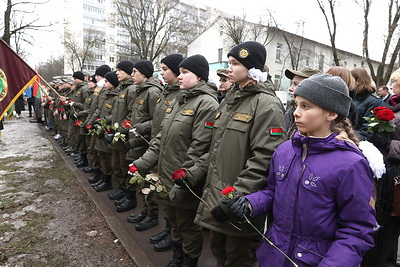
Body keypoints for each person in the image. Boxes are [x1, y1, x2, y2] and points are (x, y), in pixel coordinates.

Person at [225, 74, 377, 266]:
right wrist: (250, 203)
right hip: (274, 255)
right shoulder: (285, 150)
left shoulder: (351, 164)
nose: (296, 112)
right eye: (296, 104)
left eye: (306, 106)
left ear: (331, 114)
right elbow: (273, 192)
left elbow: (357, 229)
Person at [194, 41, 286, 267]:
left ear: (252, 68)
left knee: (238, 258)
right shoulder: (231, 101)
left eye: (235, 63)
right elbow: (216, 149)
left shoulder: (266, 105)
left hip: (240, 202)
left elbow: (264, 159)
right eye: (229, 62)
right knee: (219, 251)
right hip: (218, 195)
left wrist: (234, 198)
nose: (229, 68)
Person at [131, 54, 219, 266]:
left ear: (199, 76)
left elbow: (199, 148)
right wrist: (142, 164)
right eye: (179, 72)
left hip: (185, 179)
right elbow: (161, 138)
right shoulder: (182, 99)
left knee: (188, 226)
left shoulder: (206, 104)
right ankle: (177, 257)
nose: (180, 76)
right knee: (174, 221)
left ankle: (188, 261)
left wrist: (183, 180)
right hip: (168, 176)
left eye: (185, 72)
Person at [362, 68, 400, 267]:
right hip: (381, 171)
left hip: (396, 177)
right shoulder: (388, 104)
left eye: (395, 83)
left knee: (388, 231)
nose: (392, 86)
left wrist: (386, 144)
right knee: (378, 228)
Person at [146, 53, 184, 252]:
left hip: (175, 156)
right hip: (159, 148)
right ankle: (168, 229)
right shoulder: (166, 92)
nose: (161, 72)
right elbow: (157, 122)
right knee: (163, 195)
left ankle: (172, 233)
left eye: (165, 69)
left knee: (172, 198)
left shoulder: (181, 95)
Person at [124, 60, 162, 231]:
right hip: (139, 141)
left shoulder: (153, 92)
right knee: (141, 180)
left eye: (135, 72)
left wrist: (140, 128)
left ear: (144, 74)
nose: (132, 75)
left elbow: (156, 120)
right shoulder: (141, 91)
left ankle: (152, 214)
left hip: (147, 143)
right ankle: (145, 211)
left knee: (147, 181)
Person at [284, 68, 322, 139]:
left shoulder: (316, 122)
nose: (290, 88)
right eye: (292, 83)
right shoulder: (289, 113)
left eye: (296, 84)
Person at [350, 67, 383, 140]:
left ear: (358, 81)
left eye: (350, 80)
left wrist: (347, 140)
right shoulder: (351, 97)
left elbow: (368, 130)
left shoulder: (375, 102)